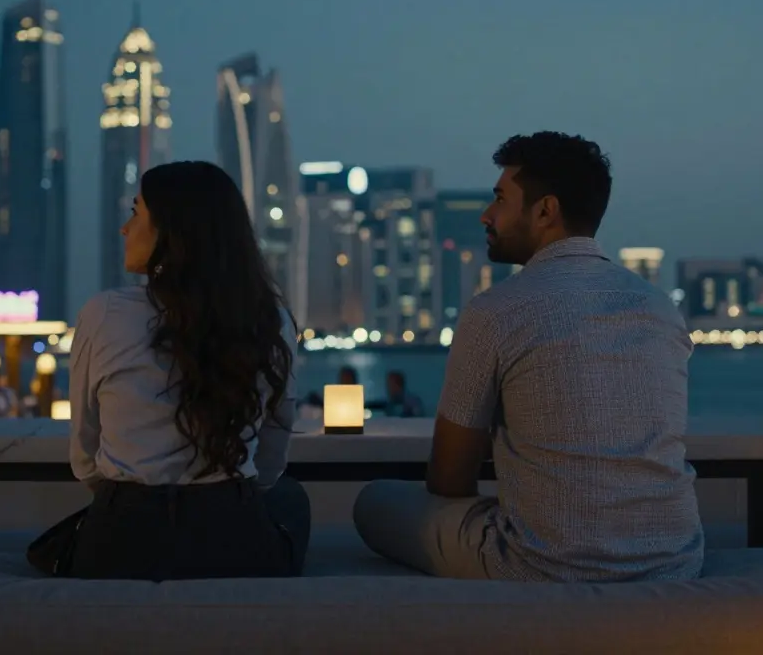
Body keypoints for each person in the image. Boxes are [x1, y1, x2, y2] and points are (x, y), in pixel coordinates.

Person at [354, 132, 704, 583]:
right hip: (674, 562)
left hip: (542, 567)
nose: (486, 214)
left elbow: (449, 479)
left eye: (500, 198)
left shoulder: (497, 310)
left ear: (545, 210)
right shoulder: (660, 307)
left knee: (373, 502)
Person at [65, 160, 310, 581]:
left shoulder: (103, 314)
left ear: (171, 232)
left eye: (136, 213)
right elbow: (271, 457)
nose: (124, 229)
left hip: (120, 540)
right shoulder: (269, 321)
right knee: (290, 499)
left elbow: (86, 456)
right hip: (231, 539)